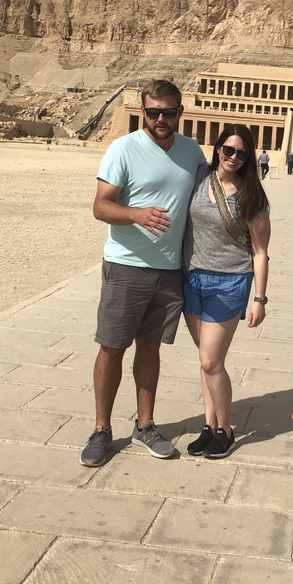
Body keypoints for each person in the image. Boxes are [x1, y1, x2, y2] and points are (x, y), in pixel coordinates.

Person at [80, 79, 205, 468]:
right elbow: (101, 206)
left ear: (180, 112)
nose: (160, 119)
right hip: (127, 266)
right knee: (112, 346)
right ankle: (101, 429)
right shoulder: (123, 148)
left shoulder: (191, 151)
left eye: (167, 112)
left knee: (150, 348)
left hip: (169, 270)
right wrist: (136, 214)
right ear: (142, 111)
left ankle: (145, 425)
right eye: (152, 112)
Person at [183, 125, 271, 458]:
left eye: (242, 153)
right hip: (192, 278)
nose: (234, 157)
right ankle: (209, 426)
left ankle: (226, 429)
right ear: (218, 148)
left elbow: (260, 252)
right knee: (206, 360)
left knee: (211, 360)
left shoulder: (252, 195)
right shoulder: (198, 178)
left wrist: (259, 299)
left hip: (230, 281)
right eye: (229, 150)